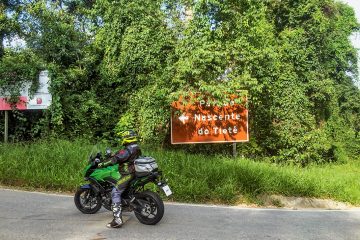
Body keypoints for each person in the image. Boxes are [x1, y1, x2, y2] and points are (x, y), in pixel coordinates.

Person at [97, 130, 142, 228]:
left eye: (124, 138)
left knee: (115, 192)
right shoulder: (136, 147)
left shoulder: (127, 149)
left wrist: (102, 164)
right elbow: (121, 155)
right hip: (135, 172)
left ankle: (117, 220)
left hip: (127, 174)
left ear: (127, 138)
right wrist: (115, 154)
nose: (123, 140)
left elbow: (115, 159)